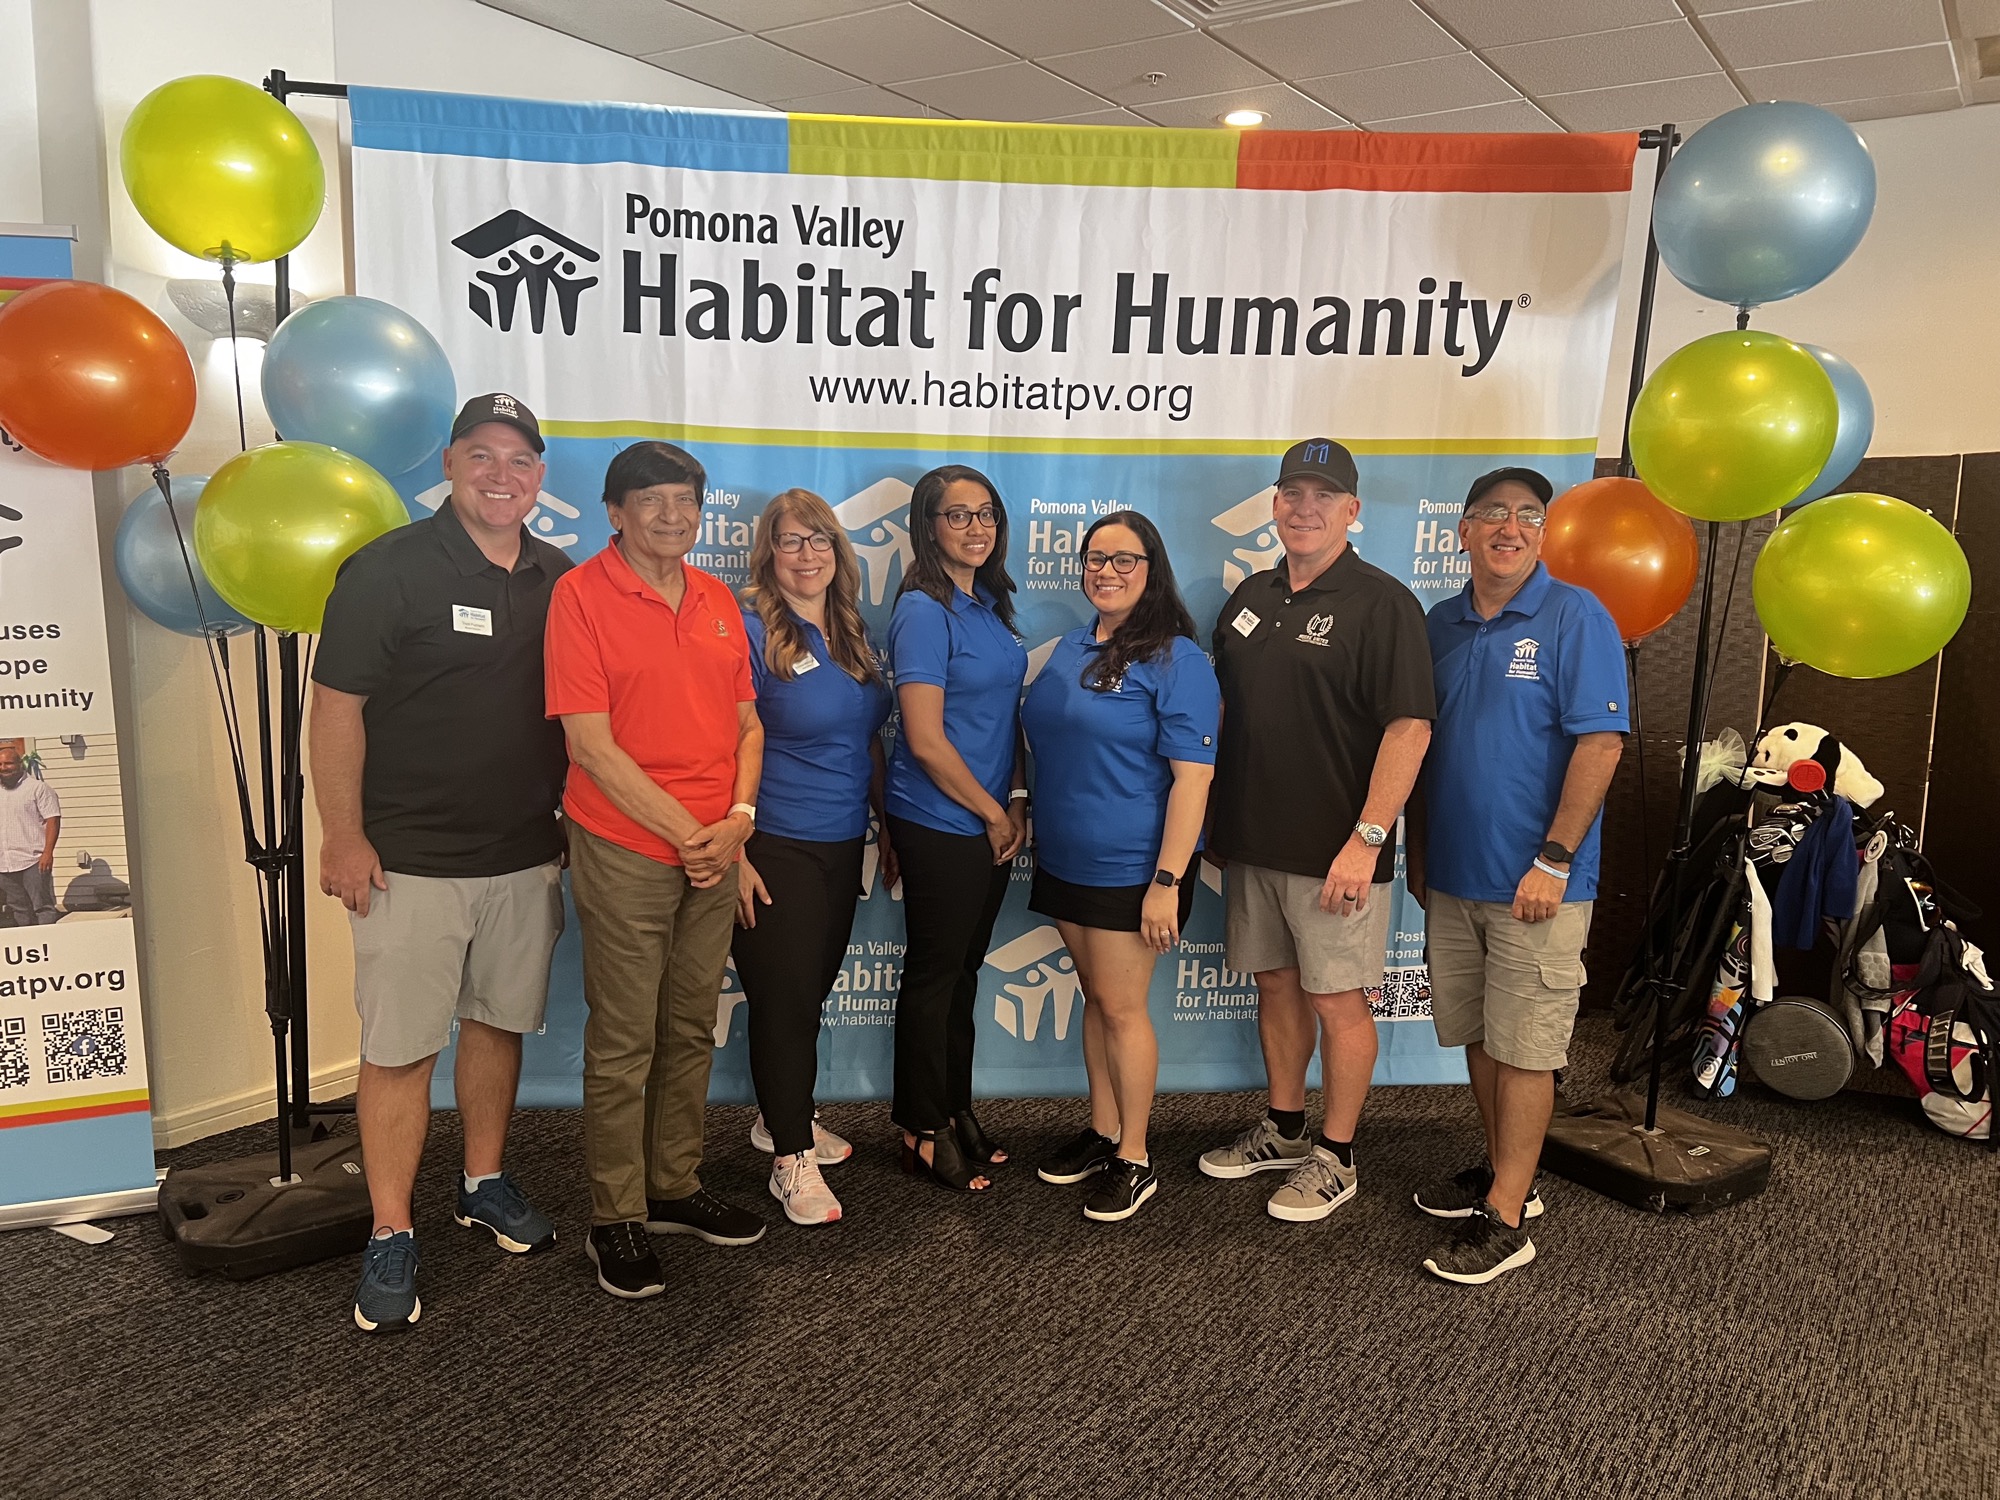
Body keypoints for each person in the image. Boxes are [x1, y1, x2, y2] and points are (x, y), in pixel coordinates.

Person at [311, 393, 570, 1334]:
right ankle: (390, 1228)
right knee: (400, 1047)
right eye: (484, 456)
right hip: (408, 860)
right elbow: (336, 706)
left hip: (523, 853)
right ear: (453, 464)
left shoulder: (560, 577)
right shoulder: (389, 570)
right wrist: (343, 834)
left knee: (497, 1026)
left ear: (540, 477)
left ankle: (483, 1181)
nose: (502, 476)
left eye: (521, 461)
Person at [545, 441, 766, 1300]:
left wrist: (736, 824)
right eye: (651, 501)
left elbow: (747, 725)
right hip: (629, 845)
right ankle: (616, 1215)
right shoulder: (580, 596)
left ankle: (673, 1186)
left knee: (687, 1027)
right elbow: (588, 745)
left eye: (685, 500)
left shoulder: (716, 599)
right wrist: (692, 835)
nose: (672, 516)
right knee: (626, 1036)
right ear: (614, 513)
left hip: (716, 843)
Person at [1199, 438, 1435, 1223]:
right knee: (1275, 985)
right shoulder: (1250, 598)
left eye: (1324, 497)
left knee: (1338, 999)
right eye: (1293, 494)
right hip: (1253, 839)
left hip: (1338, 851)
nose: (1306, 509)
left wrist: (1366, 839)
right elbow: (1226, 715)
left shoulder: (1383, 601)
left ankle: (1337, 1155)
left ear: (1353, 512)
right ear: (1274, 505)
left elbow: (1408, 728)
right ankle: (1286, 1128)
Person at [1411, 467, 1626, 1285]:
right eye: (1492, 513)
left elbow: (1600, 746)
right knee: (1478, 1037)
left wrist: (1555, 859)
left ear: (1543, 534)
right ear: (1462, 531)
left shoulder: (1576, 616)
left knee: (1528, 1050)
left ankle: (1506, 1216)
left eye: (1528, 516)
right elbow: (1422, 745)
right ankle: (1510, 1173)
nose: (1510, 526)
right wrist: (1423, 855)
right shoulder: (1439, 623)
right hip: (1457, 878)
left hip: (1539, 884)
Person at [1022, 512, 1218, 1222]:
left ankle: (1134, 1156)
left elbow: (1193, 780)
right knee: (1097, 999)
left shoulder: (1177, 659)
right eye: (1095, 558)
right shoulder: (1075, 643)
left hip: (1134, 865)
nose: (1107, 571)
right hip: (1067, 854)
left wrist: (1166, 882)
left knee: (1124, 1008)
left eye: (1124, 560)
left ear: (1152, 567)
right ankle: (1103, 1130)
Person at [731, 489, 893, 1226]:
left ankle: (779, 1116)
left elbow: (866, 740)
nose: (806, 554)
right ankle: (789, 1158)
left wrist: (885, 826)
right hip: (773, 841)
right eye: (790, 541)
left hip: (839, 842)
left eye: (819, 540)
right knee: (786, 1001)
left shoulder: (851, 630)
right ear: (768, 554)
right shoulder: (748, 629)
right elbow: (718, 741)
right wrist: (735, 851)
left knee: (809, 993)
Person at [886, 464, 1028, 1193]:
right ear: (928, 527)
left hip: (987, 819)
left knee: (964, 975)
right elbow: (925, 738)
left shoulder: (987, 605)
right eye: (958, 516)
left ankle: (956, 1106)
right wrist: (992, 810)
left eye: (986, 515)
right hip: (943, 819)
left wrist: (1016, 800)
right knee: (934, 977)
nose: (976, 528)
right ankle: (920, 1124)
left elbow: (1002, 719)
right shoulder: (922, 609)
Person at [0, 746, 61, 925]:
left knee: (43, 907)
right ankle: (28, 947)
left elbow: (53, 820)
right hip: (4, 864)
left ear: (20, 764)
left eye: (9, 763)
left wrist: (48, 853)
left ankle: (50, 945)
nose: (4, 767)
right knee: (18, 907)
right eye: (0, 764)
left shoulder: (38, 788)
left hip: (33, 860)